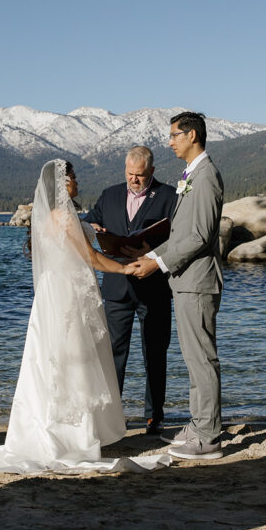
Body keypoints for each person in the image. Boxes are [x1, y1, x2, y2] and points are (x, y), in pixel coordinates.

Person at [0, 160, 170, 473]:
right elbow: (89, 257)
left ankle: (65, 429)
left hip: (58, 290)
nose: (77, 182)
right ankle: (71, 436)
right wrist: (123, 268)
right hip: (67, 293)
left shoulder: (57, 215)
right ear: (62, 183)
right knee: (71, 359)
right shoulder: (63, 215)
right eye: (74, 177)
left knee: (54, 359)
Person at [127, 112, 225, 460]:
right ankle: (199, 425)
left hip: (197, 281)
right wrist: (150, 257)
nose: (169, 142)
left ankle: (209, 436)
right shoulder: (191, 174)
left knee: (201, 359)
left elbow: (197, 237)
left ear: (192, 135)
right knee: (192, 358)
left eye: (174, 136)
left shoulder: (207, 175)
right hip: (184, 282)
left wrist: (157, 263)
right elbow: (180, 234)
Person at [82, 146, 176, 435]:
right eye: (130, 174)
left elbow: (179, 236)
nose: (134, 179)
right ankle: (113, 415)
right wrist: (94, 225)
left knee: (155, 353)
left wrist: (153, 251)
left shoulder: (170, 196)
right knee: (113, 355)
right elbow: (89, 221)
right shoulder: (109, 194)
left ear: (152, 172)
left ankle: (154, 416)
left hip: (155, 286)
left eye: (140, 175)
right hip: (117, 287)